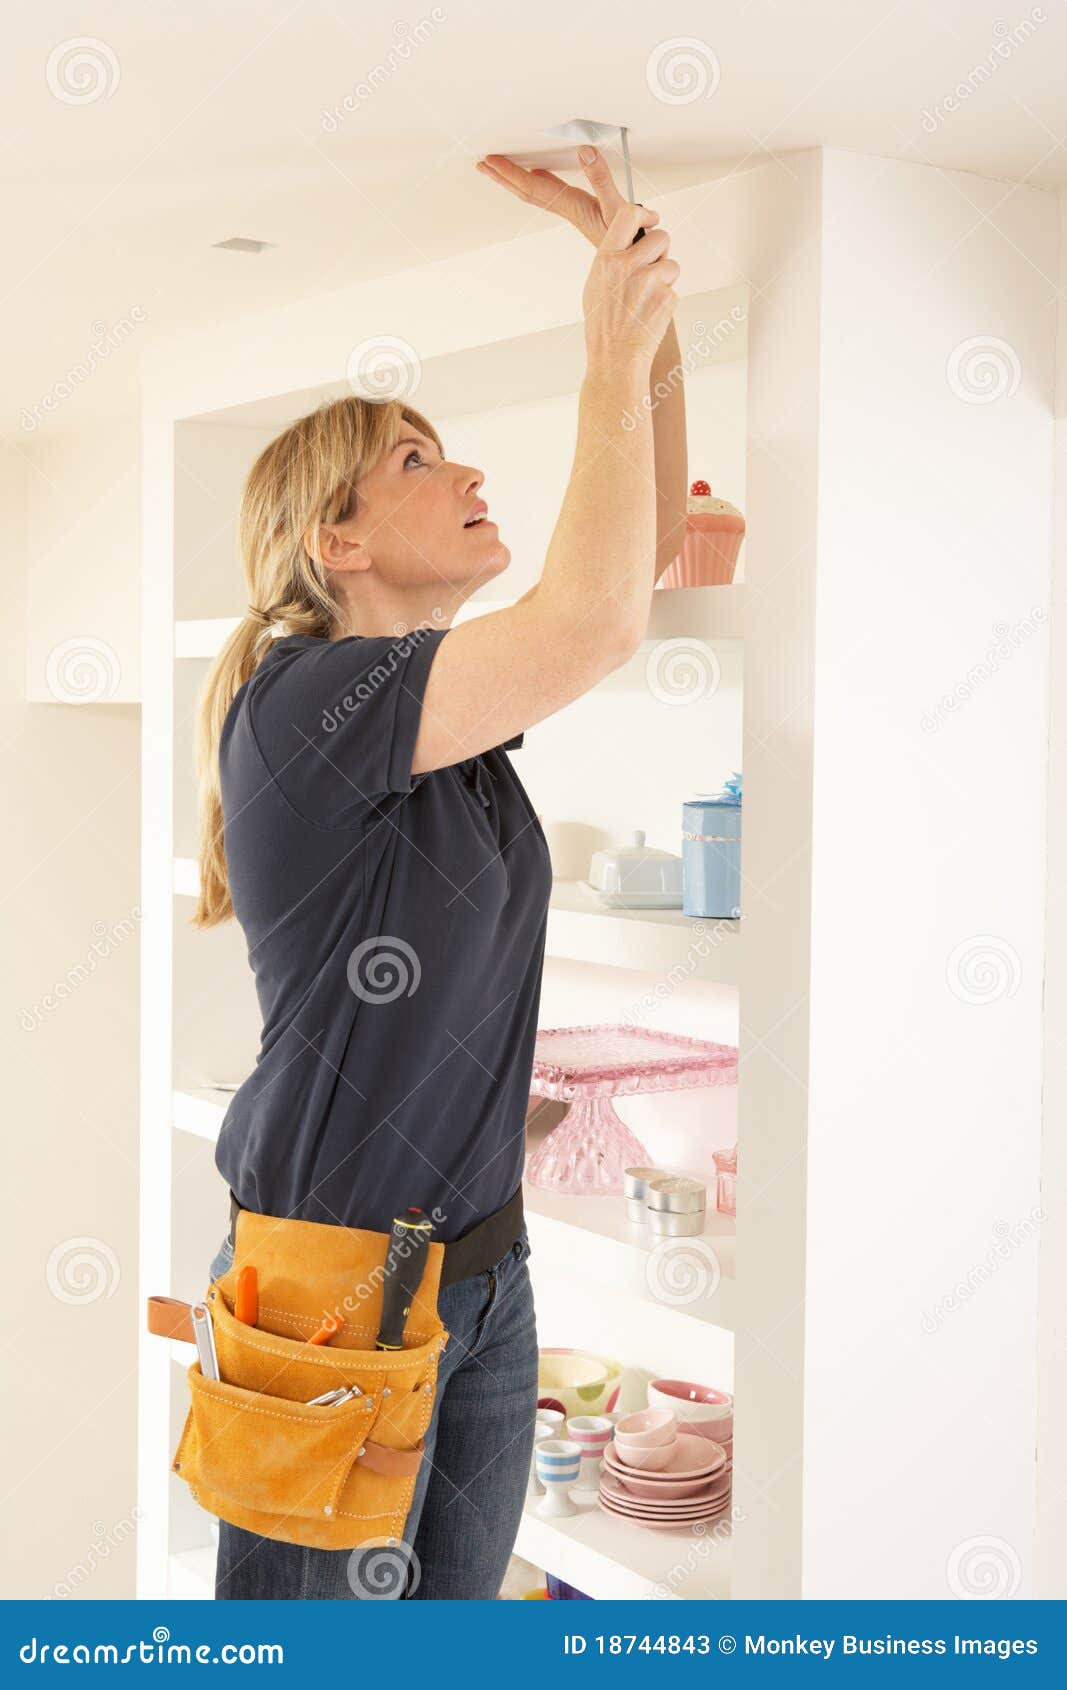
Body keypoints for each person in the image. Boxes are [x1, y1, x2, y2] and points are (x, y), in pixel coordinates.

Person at [191, 145, 687, 1599]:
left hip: (485, 1273)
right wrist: (602, 337)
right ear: (334, 540)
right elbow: (591, 618)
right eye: (419, 459)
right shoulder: (306, 706)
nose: (469, 468)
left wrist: (644, 312)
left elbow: (633, 567)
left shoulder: (446, 731)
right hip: (335, 1299)